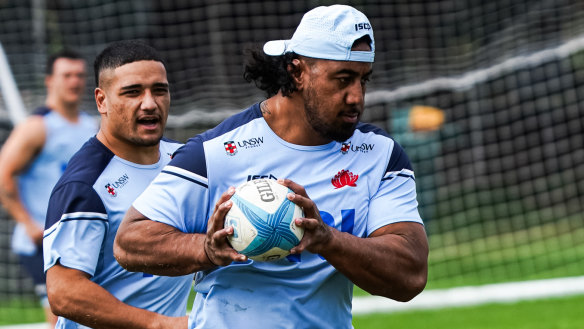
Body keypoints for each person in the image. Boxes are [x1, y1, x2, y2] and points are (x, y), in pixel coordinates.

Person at [114, 5, 429, 329]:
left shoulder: (378, 155)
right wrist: (206, 249)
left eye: (363, 80)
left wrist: (328, 241)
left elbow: (410, 273)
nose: (356, 98)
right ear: (297, 72)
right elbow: (129, 241)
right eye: (343, 79)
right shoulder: (217, 152)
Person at [42, 40, 193, 329]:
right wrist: (159, 325)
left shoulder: (185, 162)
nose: (150, 103)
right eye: (132, 92)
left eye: (159, 90)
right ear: (102, 101)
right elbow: (63, 293)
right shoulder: (85, 185)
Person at [0, 49, 97, 327]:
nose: (74, 81)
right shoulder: (37, 127)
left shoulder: (89, 125)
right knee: (59, 315)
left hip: (77, 239)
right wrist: (28, 224)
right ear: (49, 81)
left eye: (79, 75)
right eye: (66, 75)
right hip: (42, 243)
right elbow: (3, 176)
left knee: (89, 314)